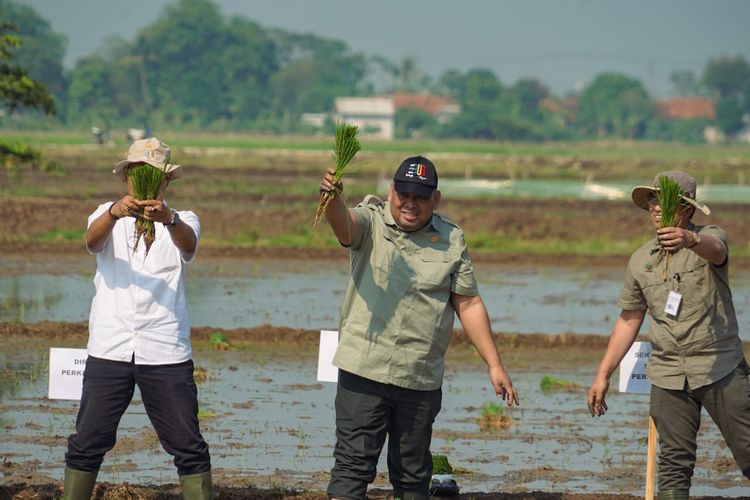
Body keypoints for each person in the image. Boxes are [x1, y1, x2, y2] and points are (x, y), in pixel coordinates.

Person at [319, 155, 520, 500]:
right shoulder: (371, 222)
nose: (410, 204)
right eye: (404, 195)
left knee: (412, 475)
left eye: (420, 197)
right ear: (391, 191)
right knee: (352, 468)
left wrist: (495, 365)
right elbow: (344, 227)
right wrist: (332, 198)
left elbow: (468, 303)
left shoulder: (451, 239)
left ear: (435, 200)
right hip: (365, 370)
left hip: (420, 377)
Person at [63, 138, 212, 500]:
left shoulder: (184, 219)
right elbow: (91, 242)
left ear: (166, 182)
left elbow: (188, 245)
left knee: (187, 444)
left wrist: (168, 219)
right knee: (88, 440)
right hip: (110, 348)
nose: (145, 181)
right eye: (138, 172)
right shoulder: (105, 213)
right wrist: (115, 213)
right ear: (128, 175)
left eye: (155, 176)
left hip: (164, 350)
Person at [587, 171, 750, 499]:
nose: (656, 208)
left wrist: (691, 240)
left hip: (719, 368)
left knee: (748, 450)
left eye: (664, 201)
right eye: (651, 202)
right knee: (674, 463)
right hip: (668, 374)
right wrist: (602, 374)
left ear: (686, 208)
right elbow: (629, 319)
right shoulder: (640, 260)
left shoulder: (708, 238)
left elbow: (717, 250)